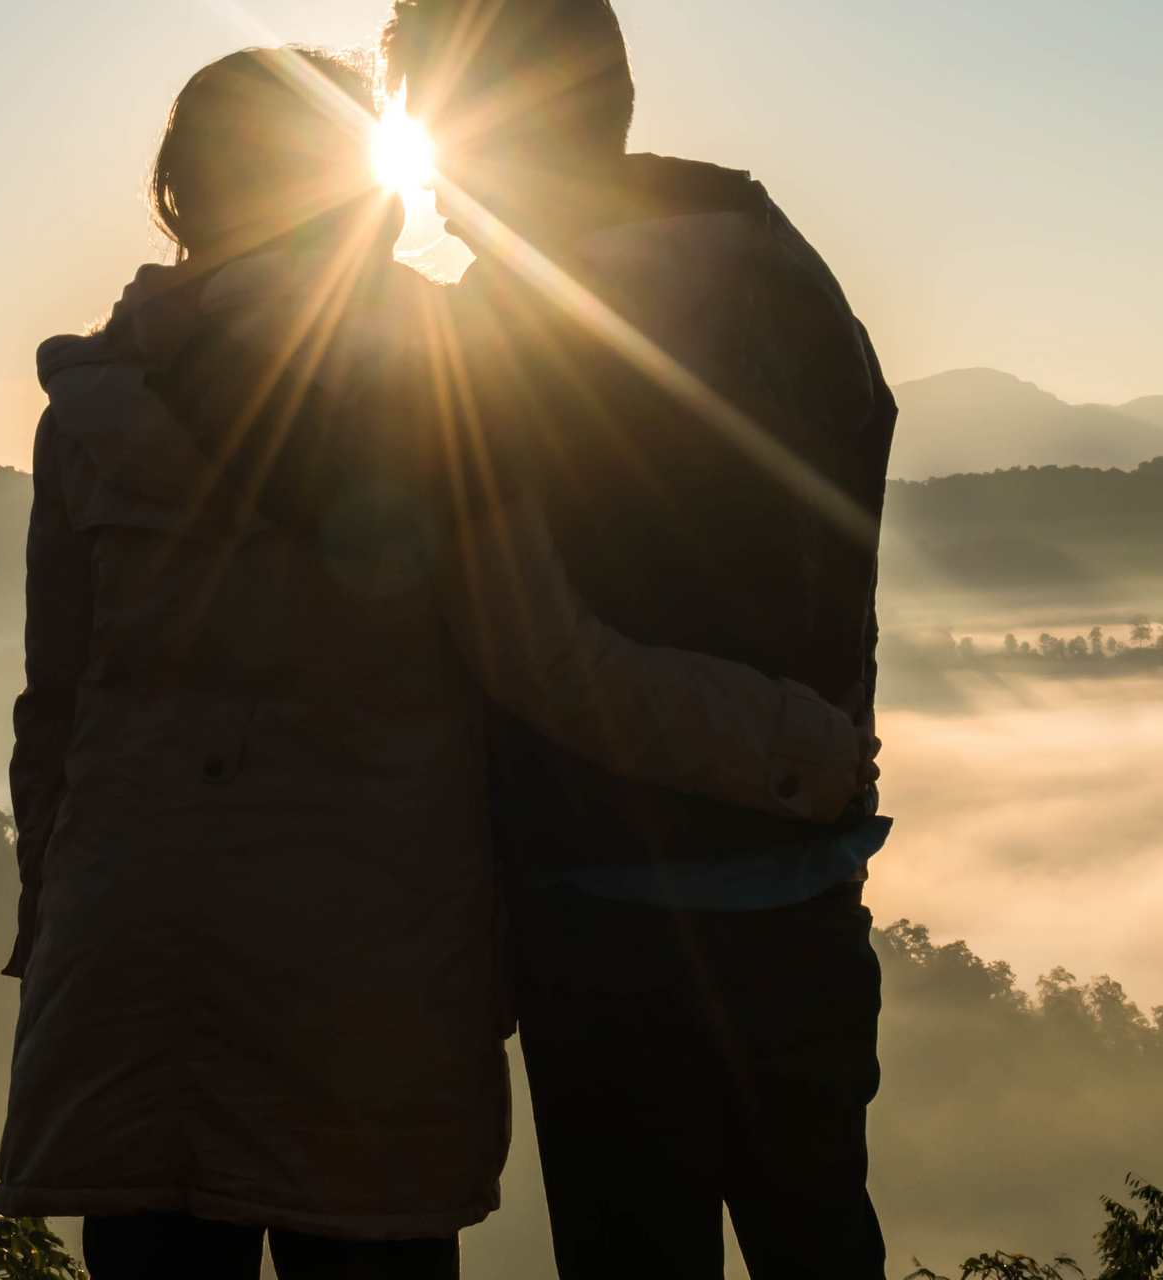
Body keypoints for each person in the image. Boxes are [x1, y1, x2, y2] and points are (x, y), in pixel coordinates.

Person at [0, 47, 875, 1280]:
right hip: (361, 976)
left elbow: (51, 716)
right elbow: (542, 657)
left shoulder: (88, 402)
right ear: (360, 190)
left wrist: (57, 928)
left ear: (178, 194)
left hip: (126, 951)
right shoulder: (433, 377)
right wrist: (797, 748)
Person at [382, 1, 901, 1275]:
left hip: (613, 915)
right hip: (805, 891)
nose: (433, 191)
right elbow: (835, 549)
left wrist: (793, 752)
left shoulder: (492, 335)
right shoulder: (782, 263)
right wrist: (820, 758)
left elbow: (535, 651)